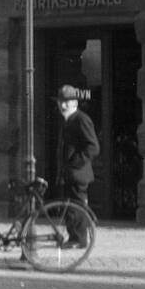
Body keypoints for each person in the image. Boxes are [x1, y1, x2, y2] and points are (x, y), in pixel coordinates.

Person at [56, 84, 99, 247]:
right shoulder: (68, 120)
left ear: (75, 103)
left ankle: (79, 240)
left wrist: (76, 163)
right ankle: (74, 237)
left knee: (77, 206)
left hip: (78, 173)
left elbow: (93, 147)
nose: (63, 105)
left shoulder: (81, 119)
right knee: (70, 206)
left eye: (67, 101)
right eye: (61, 101)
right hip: (70, 173)